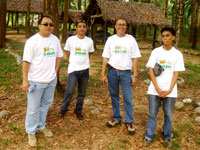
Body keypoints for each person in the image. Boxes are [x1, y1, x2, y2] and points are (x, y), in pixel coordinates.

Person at [22, 15, 63, 147]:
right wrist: (25, 81)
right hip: (35, 81)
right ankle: (31, 131)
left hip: (51, 80)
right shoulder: (32, 41)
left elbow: (59, 56)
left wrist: (55, 72)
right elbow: (26, 62)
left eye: (51, 24)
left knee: (45, 105)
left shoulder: (55, 40)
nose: (49, 27)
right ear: (39, 26)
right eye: (45, 24)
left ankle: (41, 125)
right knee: (33, 108)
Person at [143, 27, 185, 147]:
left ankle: (167, 136)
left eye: (167, 35)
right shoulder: (156, 52)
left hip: (170, 91)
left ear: (173, 37)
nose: (165, 38)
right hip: (154, 89)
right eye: (163, 36)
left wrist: (170, 89)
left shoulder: (177, 54)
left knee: (168, 114)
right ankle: (149, 136)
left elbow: (176, 73)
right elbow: (150, 69)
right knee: (152, 114)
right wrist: (157, 88)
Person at [101, 18, 141, 135]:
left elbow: (135, 58)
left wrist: (135, 75)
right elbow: (105, 57)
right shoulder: (110, 39)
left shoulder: (131, 40)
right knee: (114, 96)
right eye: (119, 24)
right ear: (115, 26)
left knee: (128, 98)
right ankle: (116, 117)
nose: (121, 26)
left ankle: (129, 121)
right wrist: (103, 73)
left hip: (125, 73)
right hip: (112, 71)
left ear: (126, 27)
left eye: (123, 24)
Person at [58, 20, 94, 120]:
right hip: (73, 70)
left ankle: (78, 111)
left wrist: (84, 62)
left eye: (84, 26)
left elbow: (89, 53)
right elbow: (67, 51)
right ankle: (63, 109)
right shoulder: (71, 40)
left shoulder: (89, 41)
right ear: (76, 28)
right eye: (79, 26)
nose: (82, 28)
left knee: (82, 92)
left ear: (86, 29)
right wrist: (72, 61)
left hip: (85, 70)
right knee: (70, 90)